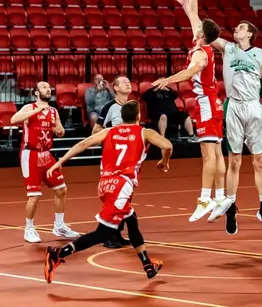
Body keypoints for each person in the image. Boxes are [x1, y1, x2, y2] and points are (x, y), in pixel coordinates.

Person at [170, 0, 262, 233]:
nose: (237, 29)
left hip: (254, 106)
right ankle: (231, 206)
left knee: (259, 161)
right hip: (233, 106)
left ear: (250, 34)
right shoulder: (227, 47)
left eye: (241, 28)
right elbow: (200, 26)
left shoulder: (260, 54)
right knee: (235, 160)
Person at [43, 101, 172, 283]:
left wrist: (59, 162)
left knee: (132, 221)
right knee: (103, 234)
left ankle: (147, 265)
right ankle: (57, 254)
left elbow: (83, 144)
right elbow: (167, 146)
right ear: (138, 117)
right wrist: (164, 161)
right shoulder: (145, 132)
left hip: (105, 185)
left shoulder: (110, 131)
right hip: (121, 187)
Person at [151, 0, 226, 223]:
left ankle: (206, 198)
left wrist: (168, 79)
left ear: (202, 34)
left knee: (207, 153)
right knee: (217, 151)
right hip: (213, 104)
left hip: (206, 105)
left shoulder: (201, 54)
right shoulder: (201, 42)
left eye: (199, 27)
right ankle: (221, 196)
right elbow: (193, 14)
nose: (196, 24)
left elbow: (189, 73)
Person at [10, 82, 79, 243]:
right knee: (34, 196)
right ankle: (29, 228)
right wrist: (36, 110)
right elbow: (13, 119)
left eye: (49, 88)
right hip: (31, 154)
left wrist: (60, 131)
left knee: (61, 190)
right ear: (36, 93)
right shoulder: (30, 107)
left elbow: (60, 131)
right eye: (44, 87)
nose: (48, 90)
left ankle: (59, 226)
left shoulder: (54, 111)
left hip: (47, 155)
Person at [92, 75, 134, 248]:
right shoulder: (110, 107)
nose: (128, 83)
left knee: (125, 197)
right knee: (114, 197)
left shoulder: (133, 107)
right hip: (113, 159)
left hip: (128, 159)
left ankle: (115, 233)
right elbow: (96, 130)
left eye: (129, 81)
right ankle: (107, 234)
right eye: (123, 82)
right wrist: (115, 133)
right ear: (115, 88)